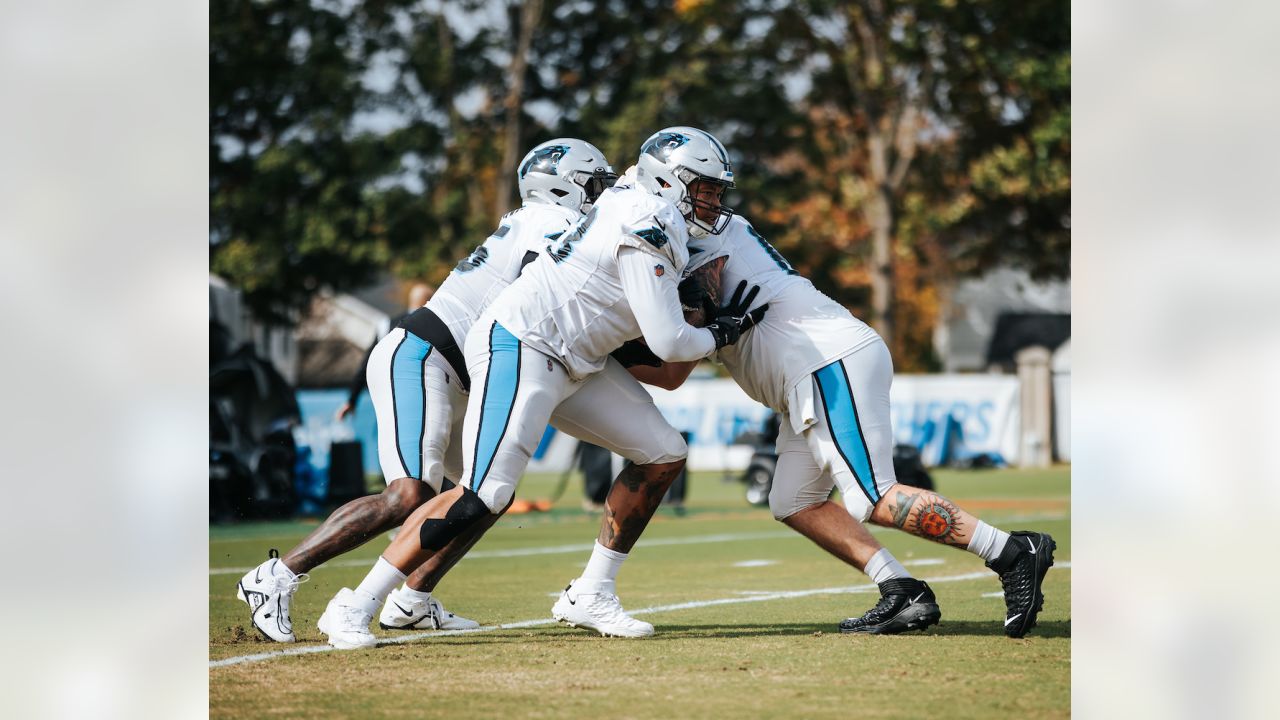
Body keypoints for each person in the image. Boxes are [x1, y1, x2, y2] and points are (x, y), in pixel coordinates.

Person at [316, 126, 767, 647]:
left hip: (578, 356)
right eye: (705, 189)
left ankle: (591, 593)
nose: (713, 202)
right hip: (525, 343)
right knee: (484, 493)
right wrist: (722, 332)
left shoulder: (640, 200)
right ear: (669, 181)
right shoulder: (648, 220)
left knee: (663, 452)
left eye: (717, 190)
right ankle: (355, 604)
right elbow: (669, 343)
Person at [235, 138, 619, 643]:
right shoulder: (549, 221)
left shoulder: (540, 221)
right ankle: (275, 577)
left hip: (455, 370)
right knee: (409, 494)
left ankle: (413, 599)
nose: (599, 195)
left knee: (482, 495)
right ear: (561, 186)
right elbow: (538, 295)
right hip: (422, 357)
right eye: (593, 183)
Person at [626, 204, 1057, 638]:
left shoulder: (697, 236)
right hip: (808, 375)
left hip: (825, 361)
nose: (710, 200)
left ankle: (1012, 550)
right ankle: (901, 588)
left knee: (872, 496)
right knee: (793, 500)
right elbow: (671, 371)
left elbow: (698, 294)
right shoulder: (682, 235)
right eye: (704, 188)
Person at [334, 282, 435, 422]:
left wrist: (351, 400)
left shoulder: (386, 325)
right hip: (422, 398)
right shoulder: (432, 327)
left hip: (388, 398)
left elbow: (366, 364)